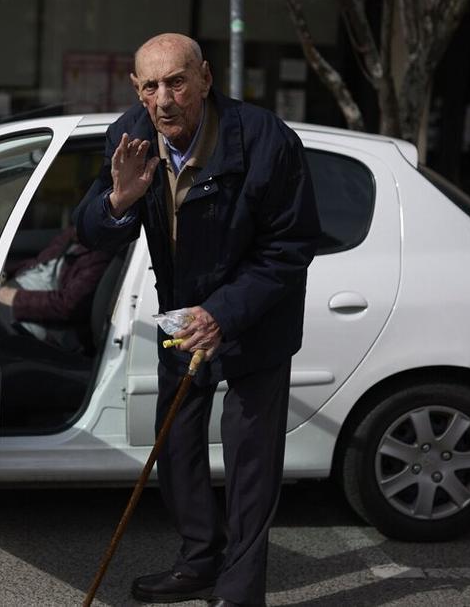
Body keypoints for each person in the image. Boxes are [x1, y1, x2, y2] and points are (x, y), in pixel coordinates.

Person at [73, 33, 321, 606]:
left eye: (178, 82)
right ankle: (199, 561)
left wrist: (225, 312)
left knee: (250, 461)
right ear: (137, 89)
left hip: (255, 318)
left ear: (205, 79)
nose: (165, 99)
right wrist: (118, 202)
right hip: (182, 316)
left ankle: (239, 590)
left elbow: (291, 246)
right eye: (151, 86)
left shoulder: (265, 141)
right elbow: (88, 233)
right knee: (177, 444)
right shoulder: (130, 138)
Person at [0, 226, 112, 352]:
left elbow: (68, 305)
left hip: (37, 317)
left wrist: (15, 298)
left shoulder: (98, 258)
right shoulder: (72, 236)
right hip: (18, 292)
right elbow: (38, 263)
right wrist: (3, 274)